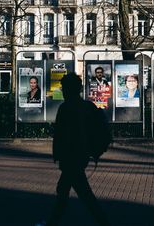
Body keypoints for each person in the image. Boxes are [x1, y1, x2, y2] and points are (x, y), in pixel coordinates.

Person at [44, 73, 110, 226]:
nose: (63, 90)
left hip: (71, 157)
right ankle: (53, 221)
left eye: (64, 87)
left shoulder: (66, 108)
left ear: (69, 89)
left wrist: (59, 154)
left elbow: (62, 134)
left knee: (80, 194)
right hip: (80, 155)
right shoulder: (86, 107)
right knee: (67, 191)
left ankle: (103, 222)